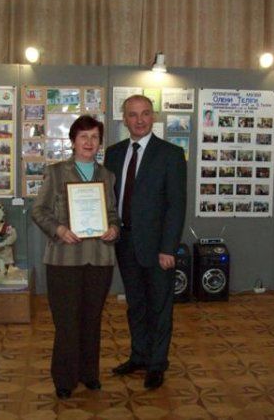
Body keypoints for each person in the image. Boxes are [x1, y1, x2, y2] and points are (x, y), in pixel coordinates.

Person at [32, 115, 119, 400]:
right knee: (67, 322)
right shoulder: (56, 173)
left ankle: (89, 374)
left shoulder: (107, 176)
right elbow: (39, 211)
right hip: (63, 260)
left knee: (92, 321)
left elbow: (114, 215)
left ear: (100, 142)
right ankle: (65, 379)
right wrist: (58, 229)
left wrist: (114, 229)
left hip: (99, 260)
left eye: (94, 137)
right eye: (83, 137)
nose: (89, 142)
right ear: (72, 141)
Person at [104, 95, 186, 390]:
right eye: (132, 114)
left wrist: (168, 248)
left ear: (154, 117)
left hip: (157, 248)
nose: (139, 120)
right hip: (124, 243)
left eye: (145, 114)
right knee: (135, 304)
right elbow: (107, 200)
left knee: (160, 306)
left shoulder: (171, 154)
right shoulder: (112, 154)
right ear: (123, 119)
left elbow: (176, 206)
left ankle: (157, 363)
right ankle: (139, 355)